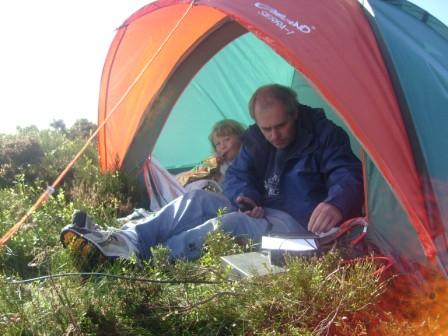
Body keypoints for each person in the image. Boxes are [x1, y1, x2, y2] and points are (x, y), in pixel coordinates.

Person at [61, 84, 363, 261]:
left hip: (295, 219)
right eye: (266, 128)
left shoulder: (324, 133)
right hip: (260, 209)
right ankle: (125, 241)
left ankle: (155, 260)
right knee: (196, 199)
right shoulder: (256, 138)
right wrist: (246, 198)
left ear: (295, 113)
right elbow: (238, 176)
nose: (274, 135)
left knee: (228, 224)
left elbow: (347, 172)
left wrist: (336, 202)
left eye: (281, 126)